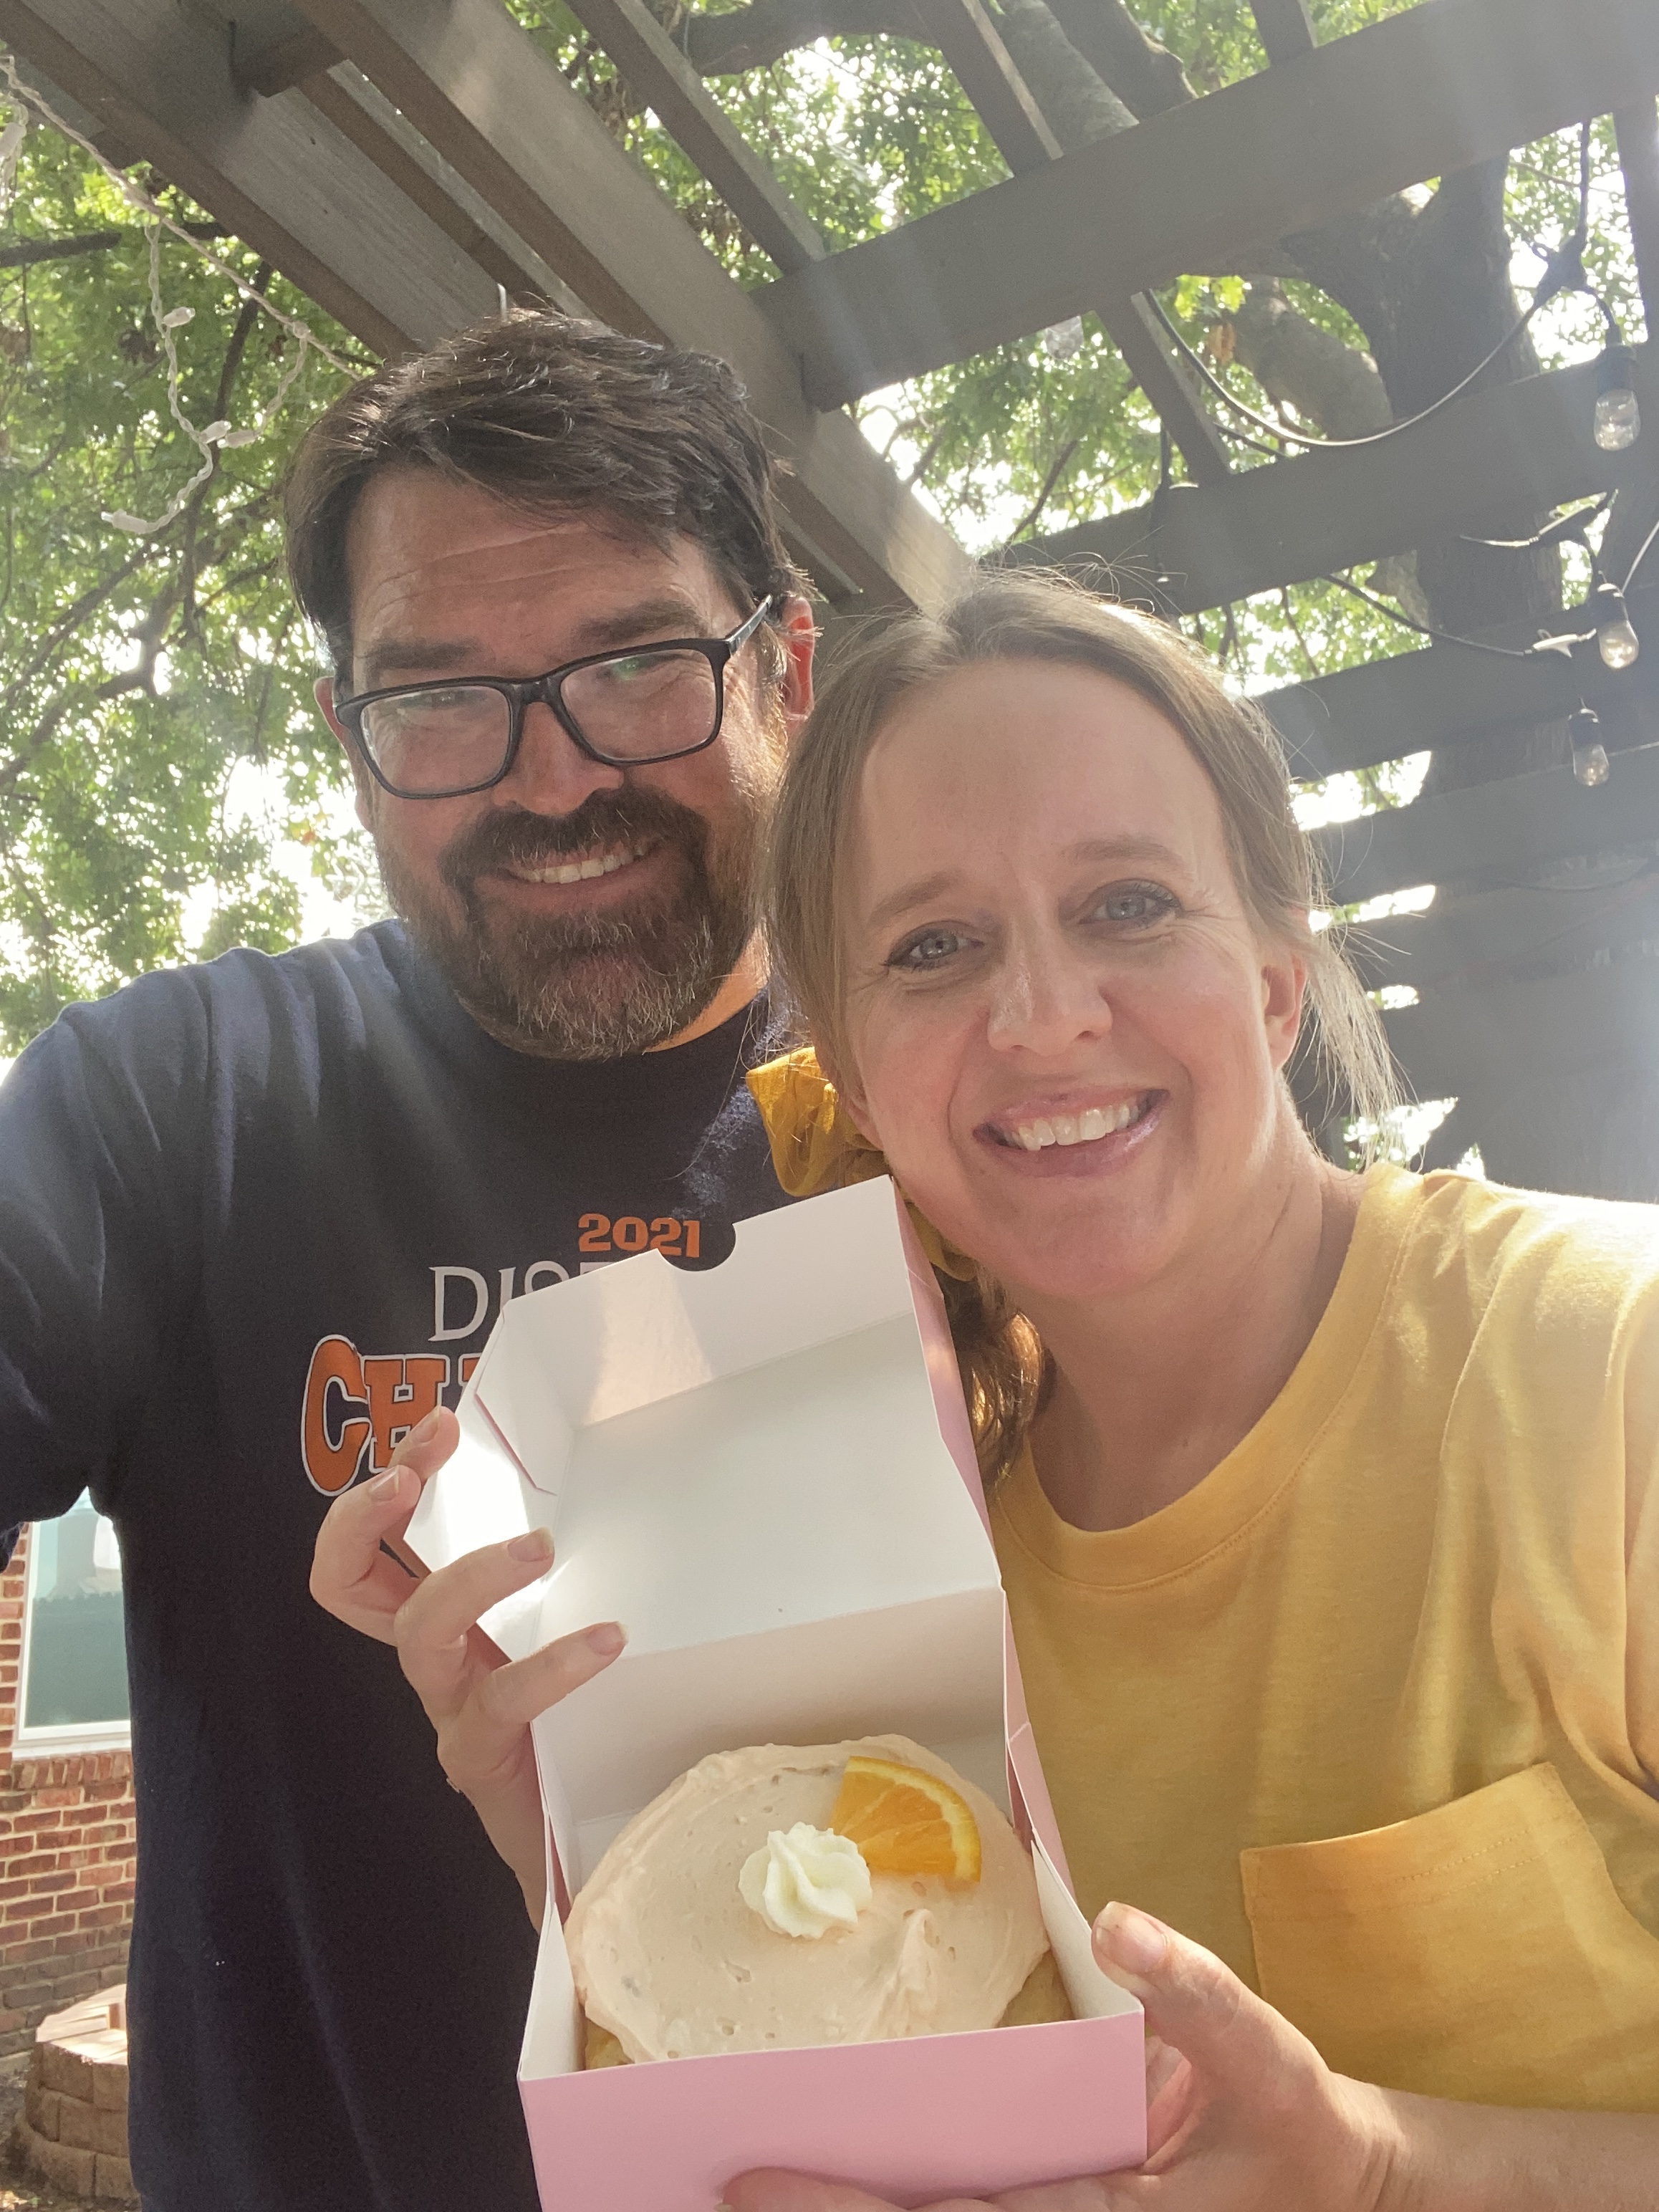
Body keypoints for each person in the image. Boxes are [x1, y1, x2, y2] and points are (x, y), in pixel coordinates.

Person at [333, 572, 1659, 2209]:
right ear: (857, 1080)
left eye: (1128, 904)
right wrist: (572, 1829)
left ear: (1275, 975)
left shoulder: (1612, 1367)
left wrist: (1390, 2168)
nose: (1041, 1018)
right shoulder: (919, 1592)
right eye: (934, 946)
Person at [0, 309, 817, 2212]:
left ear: (782, 669)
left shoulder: (956, 1126)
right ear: (350, 742)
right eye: (441, 698)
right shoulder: (171, 1105)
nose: (553, 782)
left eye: (635, 665)